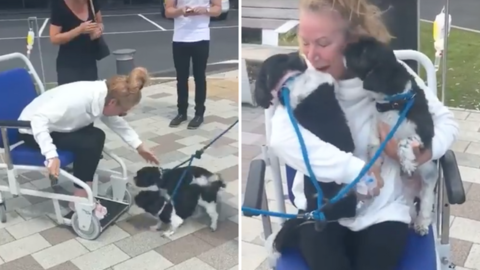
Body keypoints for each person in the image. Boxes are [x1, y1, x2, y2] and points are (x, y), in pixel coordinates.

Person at [268, 0, 459, 269]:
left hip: (384, 209)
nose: (311, 55)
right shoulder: (301, 84)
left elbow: (447, 123)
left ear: (353, 38)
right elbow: (282, 140)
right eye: (305, 42)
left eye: (323, 43)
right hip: (323, 205)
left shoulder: (391, 75)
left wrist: (424, 152)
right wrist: (359, 173)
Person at [17, 67, 159, 211]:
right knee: (90, 142)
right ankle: (79, 199)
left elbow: (115, 121)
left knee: (96, 136)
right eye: (123, 112)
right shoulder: (76, 100)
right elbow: (38, 120)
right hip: (31, 130)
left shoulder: (107, 95)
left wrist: (139, 146)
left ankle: (82, 192)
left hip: (58, 126)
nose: (122, 115)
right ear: (112, 103)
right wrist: (51, 155)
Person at [165, 0, 222, 129]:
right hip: (180, 38)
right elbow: (168, 11)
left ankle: (199, 113)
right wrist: (180, 11)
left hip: (201, 37)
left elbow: (218, 9)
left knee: (199, 77)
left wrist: (205, 10)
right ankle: (182, 112)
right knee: (181, 77)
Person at [49, 0, 104, 85]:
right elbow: (54, 38)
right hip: (68, 66)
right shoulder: (59, 4)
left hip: (89, 62)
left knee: (89, 95)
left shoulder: (92, 2)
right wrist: (79, 30)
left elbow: (99, 22)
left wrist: (98, 30)